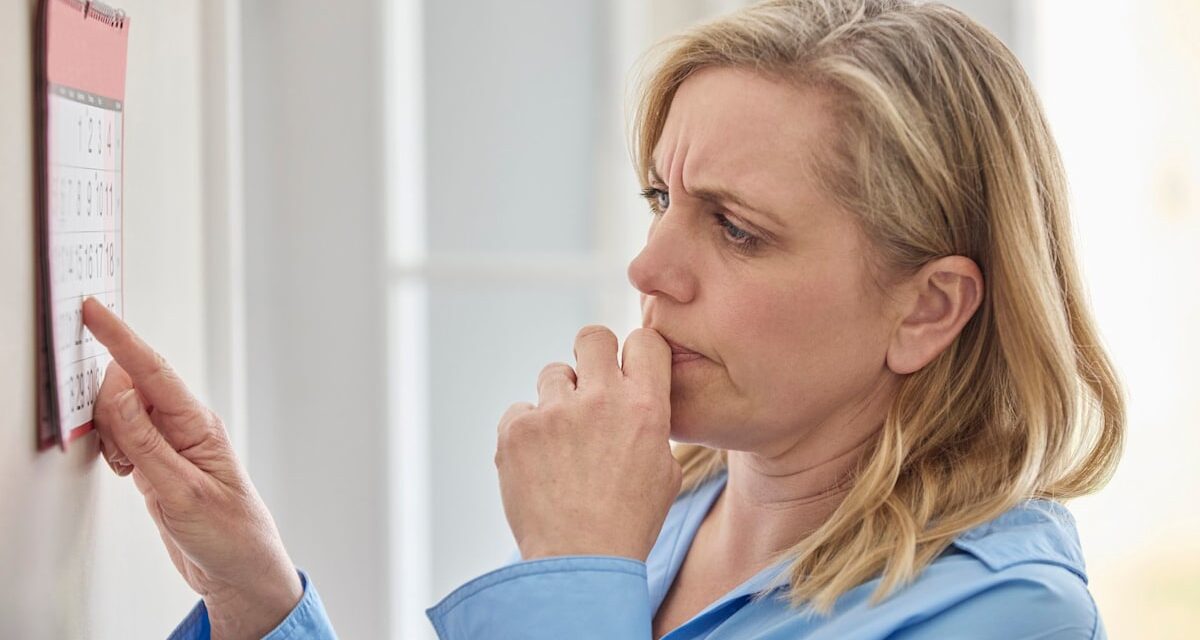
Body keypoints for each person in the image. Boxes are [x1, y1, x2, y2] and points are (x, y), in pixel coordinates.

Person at [81, 0, 1126, 638]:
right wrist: (259, 601)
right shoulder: (673, 512)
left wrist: (580, 571)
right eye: (661, 201)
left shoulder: (1010, 616)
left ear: (927, 307)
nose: (649, 267)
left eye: (739, 229)